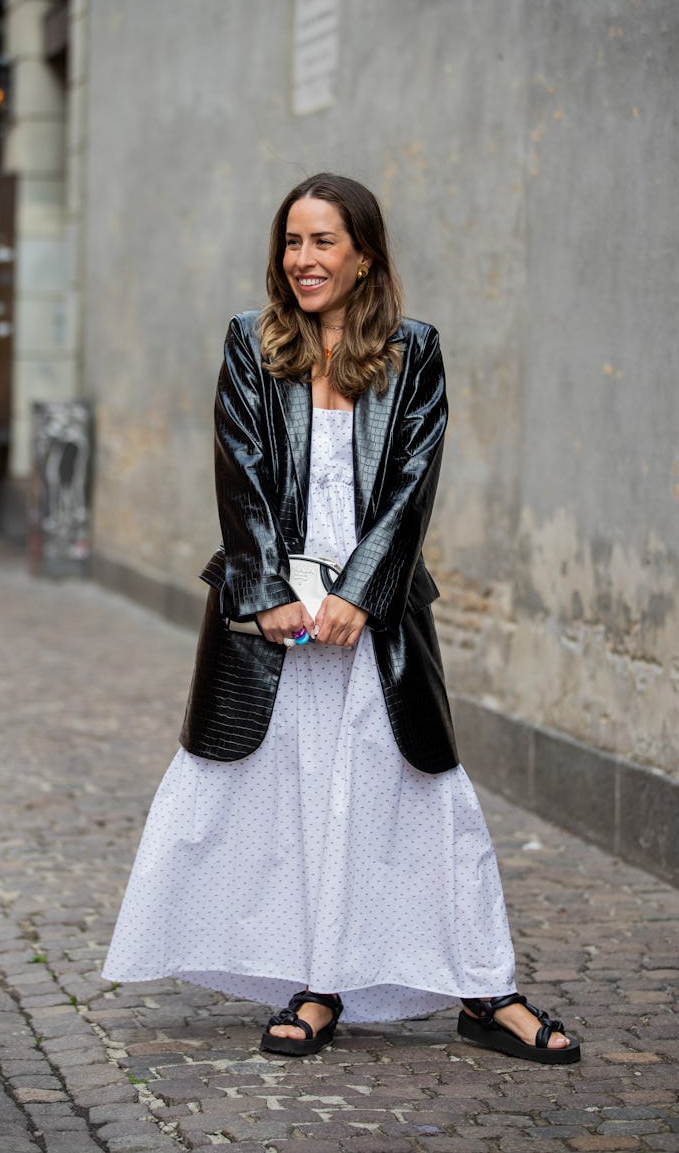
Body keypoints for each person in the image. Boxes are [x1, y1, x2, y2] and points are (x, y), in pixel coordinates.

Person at [102, 173, 580, 1065]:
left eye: (324, 242)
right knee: (291, 795)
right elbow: (239, 470)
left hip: (377, 617)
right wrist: (267, 589)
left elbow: (412, 482)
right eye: (293, 242)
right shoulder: (253, 343)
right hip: (277, 620)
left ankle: (486, 989)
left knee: (424, 795)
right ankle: (320, 984)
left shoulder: (413, 352)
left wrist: (361, 591)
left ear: (364, 255)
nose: (304, 260)